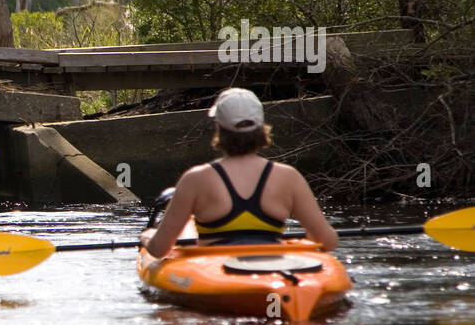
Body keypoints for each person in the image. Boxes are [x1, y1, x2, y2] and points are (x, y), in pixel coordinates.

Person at [140, 88, 338, 257]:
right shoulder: (289, 177)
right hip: (271, 271)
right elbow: (328, 242)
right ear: (261, 128)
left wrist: (147, 237)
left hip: (216, 276)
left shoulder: (196, 179)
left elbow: (159, 249)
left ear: (219, 128)